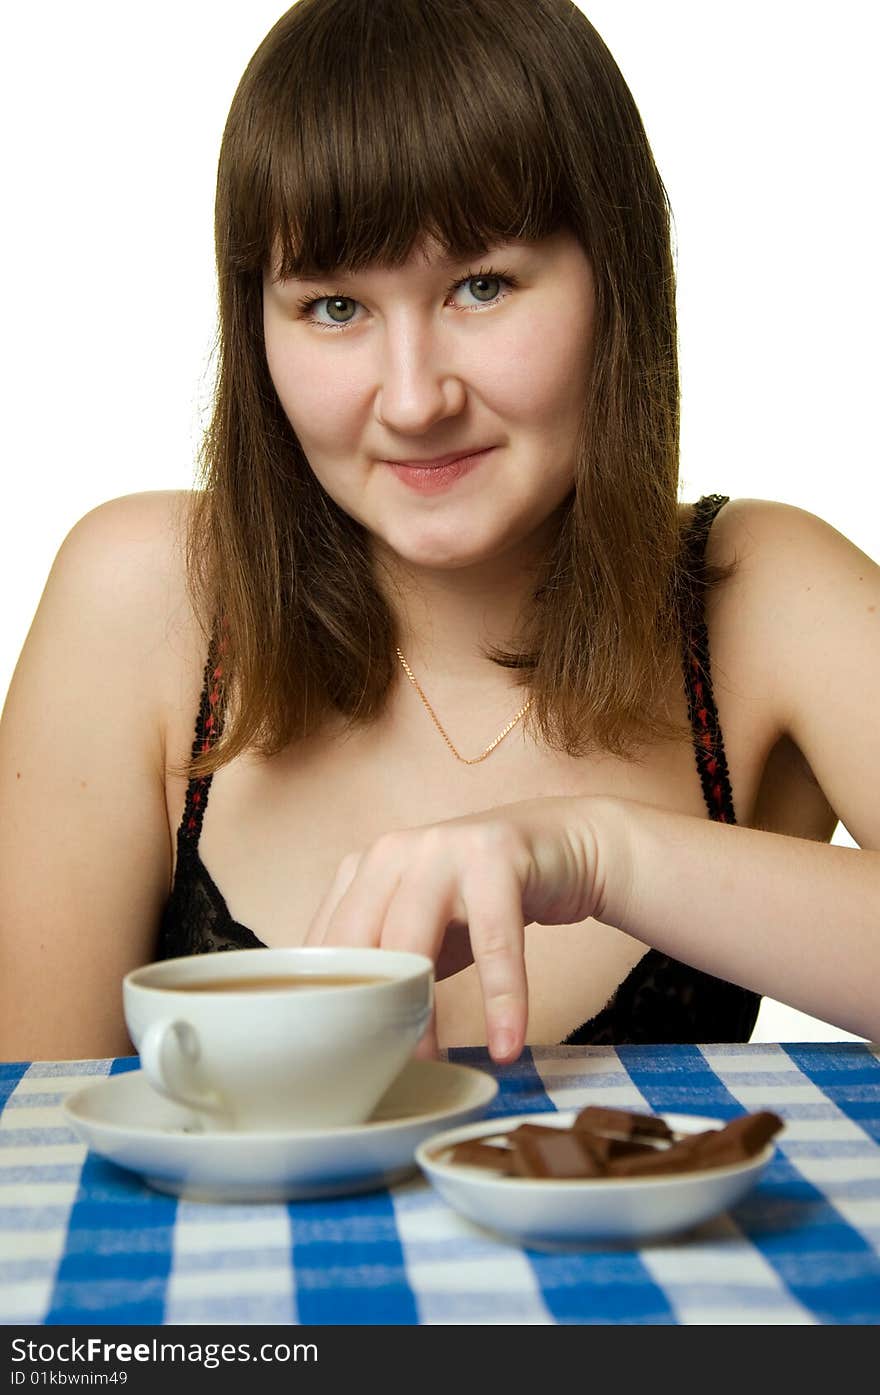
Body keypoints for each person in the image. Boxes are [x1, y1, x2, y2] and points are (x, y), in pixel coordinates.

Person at [1, 0, 877, 1065]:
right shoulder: (144, 596)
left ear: (618, 280)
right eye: (333, 307)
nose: (414, 400)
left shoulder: (760, 598)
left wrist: (604, 856)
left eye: (481, 285)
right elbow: (29, 1148)